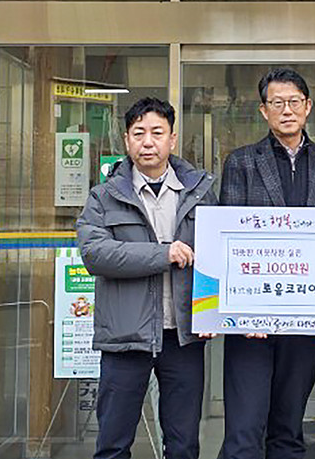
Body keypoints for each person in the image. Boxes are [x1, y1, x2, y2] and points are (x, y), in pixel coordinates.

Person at [219, 68, 315, 459]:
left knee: (289, 427)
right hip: (251, 323)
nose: (287, 110)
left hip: (306, 315)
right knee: (244, 430)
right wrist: (242, 311)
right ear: (264, 110)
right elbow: (229, 241)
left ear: (308, 107)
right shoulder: (242, 162)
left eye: (294, 102)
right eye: (277, 103)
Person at [76, 97, 217, 459]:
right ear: (127, 140)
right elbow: (95, 254)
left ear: (172, 139)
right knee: (113, 444)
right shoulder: (103, 196)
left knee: (183, 445)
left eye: (157, 132)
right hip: (125, 337)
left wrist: (215, 314)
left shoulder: (200, 193)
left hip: (183, 337)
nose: (148, 142)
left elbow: (219, 257)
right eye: (139, 133)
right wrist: (163, 254)